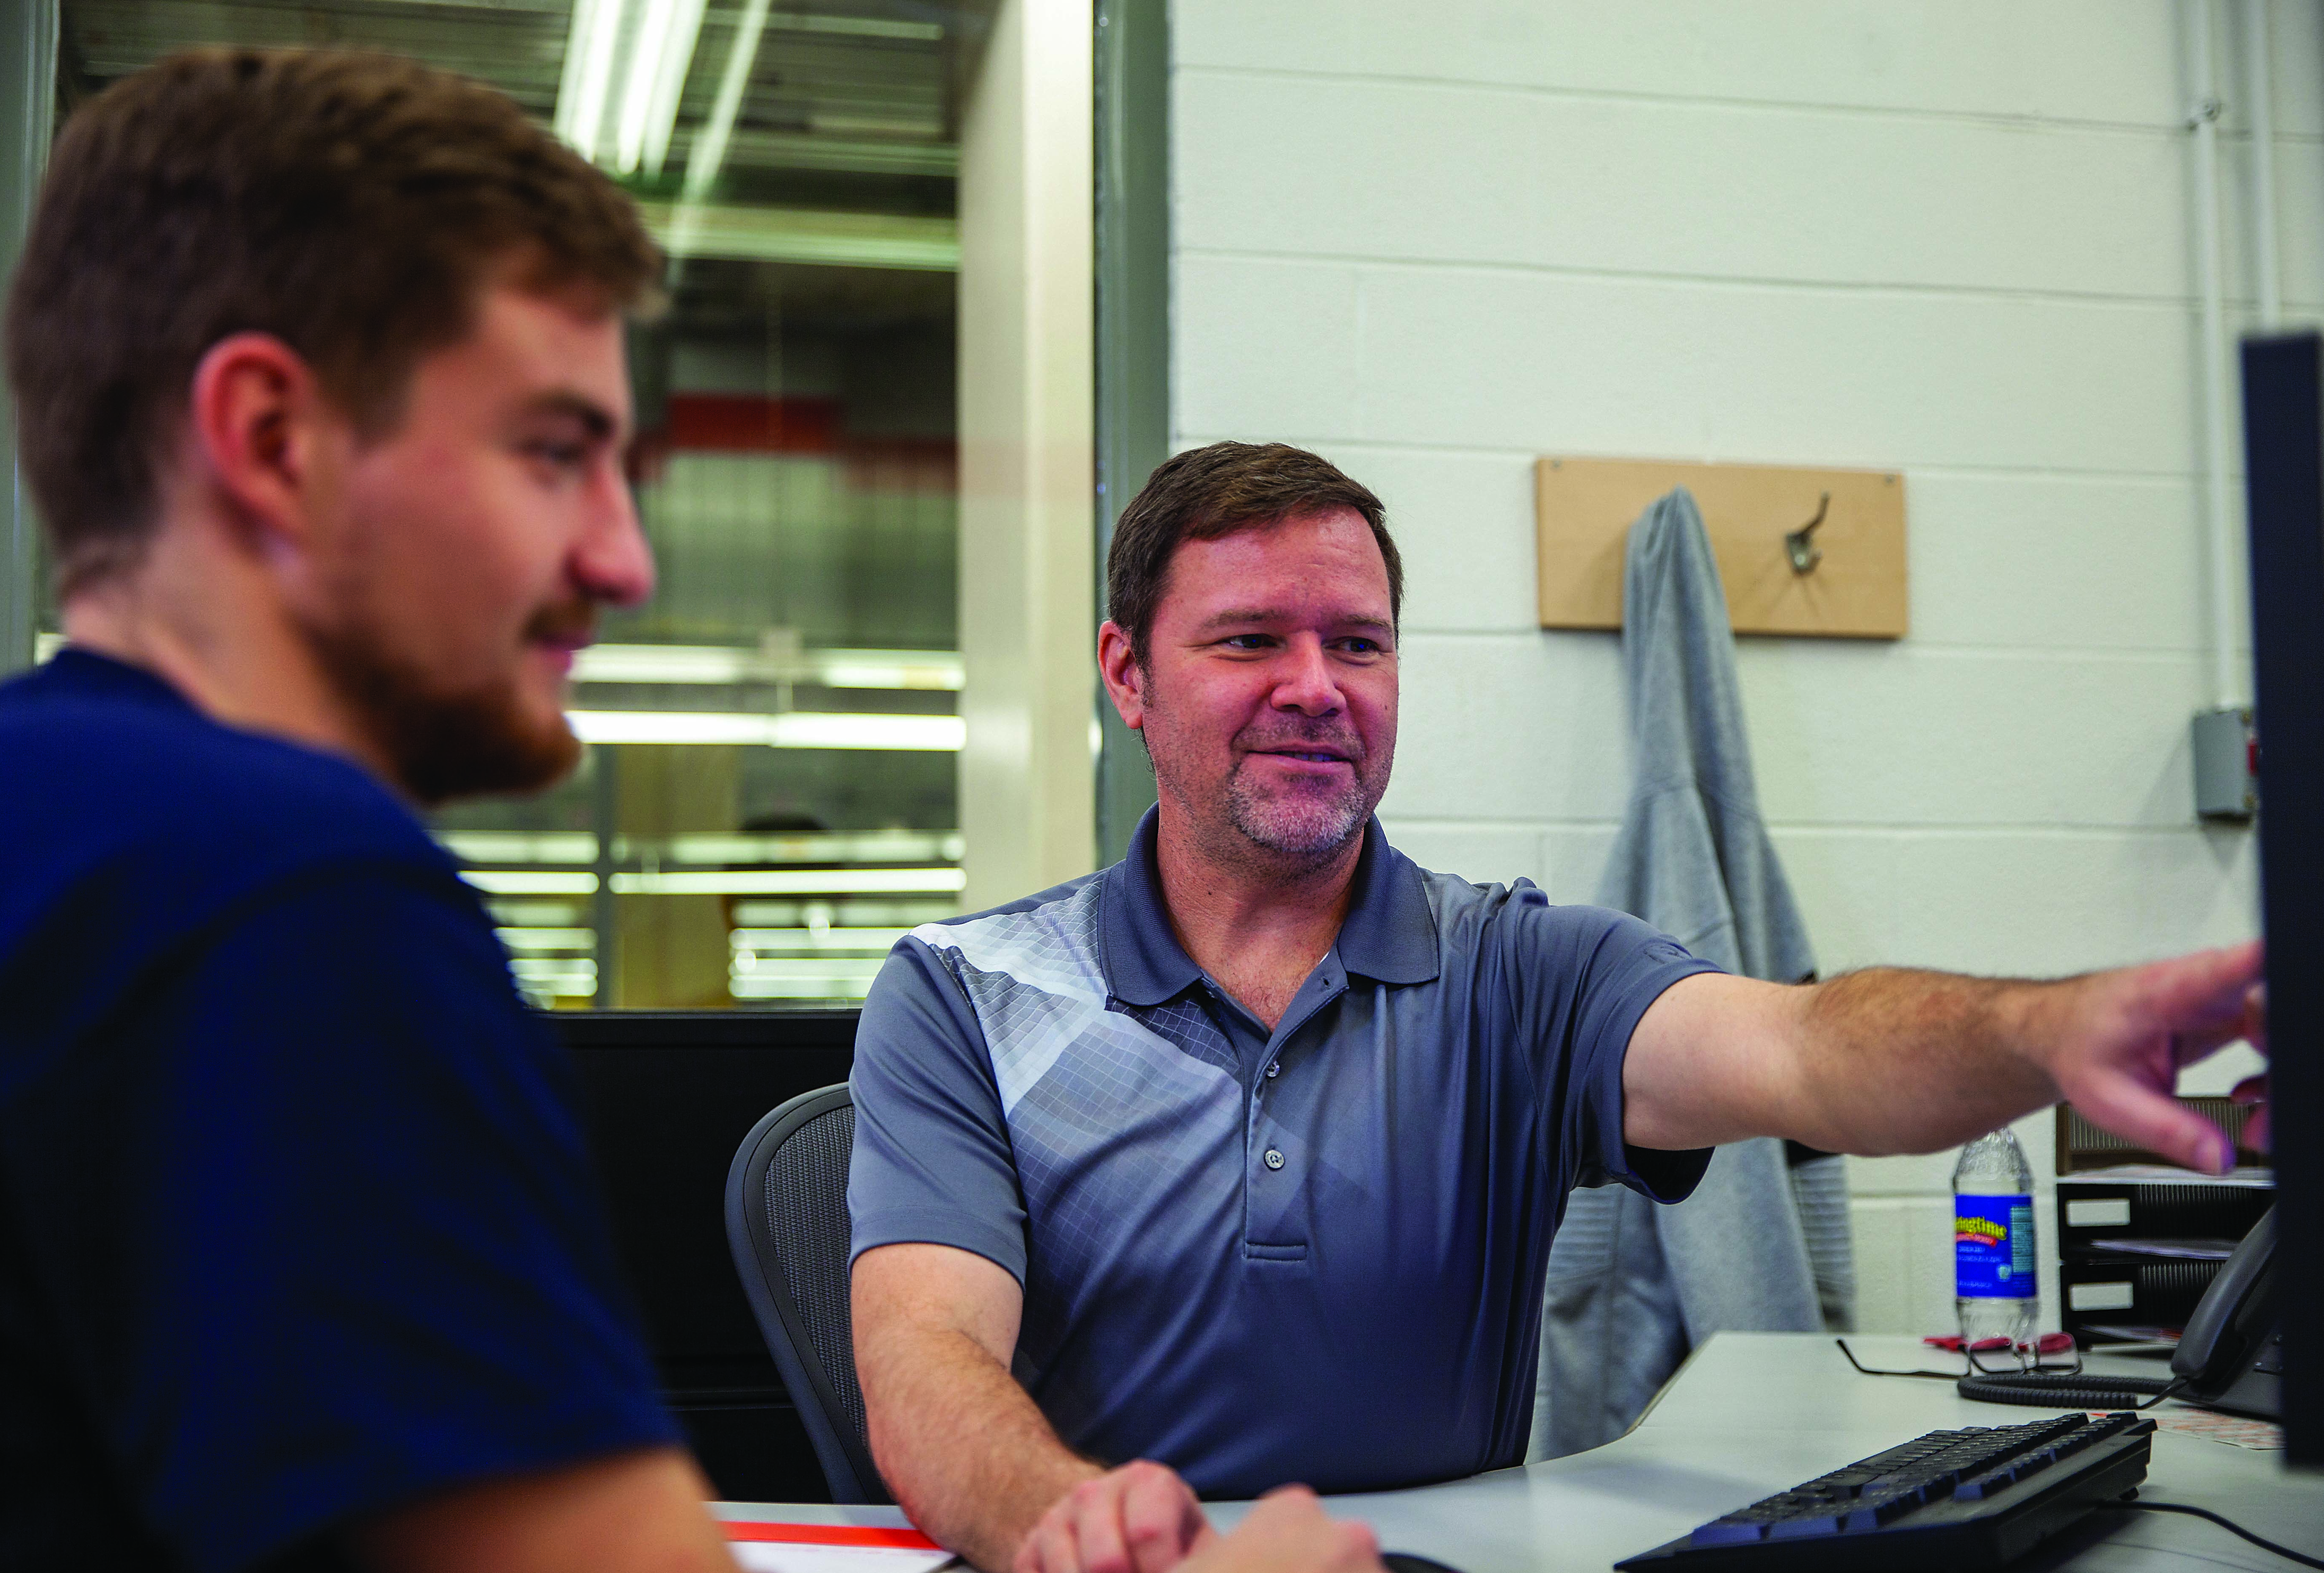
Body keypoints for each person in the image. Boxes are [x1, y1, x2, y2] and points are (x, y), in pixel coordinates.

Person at [0, 53, 1383, 1573]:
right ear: (269, 437)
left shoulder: (21, 829)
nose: (626, 560)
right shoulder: (277, 901)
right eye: (554, 453)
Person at [846, 440, 2273, 1573]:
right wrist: (1089, 1536)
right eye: (1246, 642)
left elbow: (1802, 1048)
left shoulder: (1519, 973)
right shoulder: (968, 995)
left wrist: (2043, 1032)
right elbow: (923, 1356)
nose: (1315, 689)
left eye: (1358, 643)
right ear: (1126, 675)